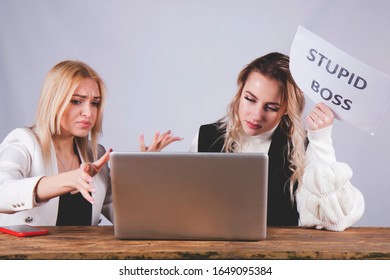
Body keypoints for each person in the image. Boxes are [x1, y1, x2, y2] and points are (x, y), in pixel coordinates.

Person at [185, 52, 364, 231]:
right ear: (240, 93)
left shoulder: (300, 148)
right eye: (249, 99)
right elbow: (186, 208)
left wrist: (322, 142)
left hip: (277, 257)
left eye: (271, 107)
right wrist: (156, 173)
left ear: (286, 108)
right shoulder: (206, 136)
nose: (256, 115)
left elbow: (337, 221)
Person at [0, 60, 180, 226]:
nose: (88, 112)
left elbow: (129, 216)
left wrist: (143, 170)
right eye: (77, 101)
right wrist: (70, 179)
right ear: (53, 102)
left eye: (95, 103)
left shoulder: (96, 155)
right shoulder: (23, 141)